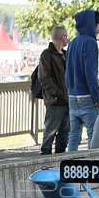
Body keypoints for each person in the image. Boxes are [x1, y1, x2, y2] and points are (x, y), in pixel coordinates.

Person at [65, 9, 99, 151]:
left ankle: (70, 166)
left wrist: (70, 89)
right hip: (87, 97)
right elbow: (90, 73)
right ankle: (91, 168)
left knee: (74, 136)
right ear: (92, 23)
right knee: (94, 134)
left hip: (73, 96)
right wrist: (96, 97)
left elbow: (67, 72)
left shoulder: (73, 43)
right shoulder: (90, 43)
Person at [37, 26, 70, 155]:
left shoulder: (65, 54)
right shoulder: (47, 54)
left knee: (65, 131)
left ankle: (60, 157)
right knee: (51, 129)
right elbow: (44, 78)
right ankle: (45, 156)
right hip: (55, 99)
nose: (67, 38)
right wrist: (58, 93)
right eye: (66, 36)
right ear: (61, 37)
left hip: (66, 99)